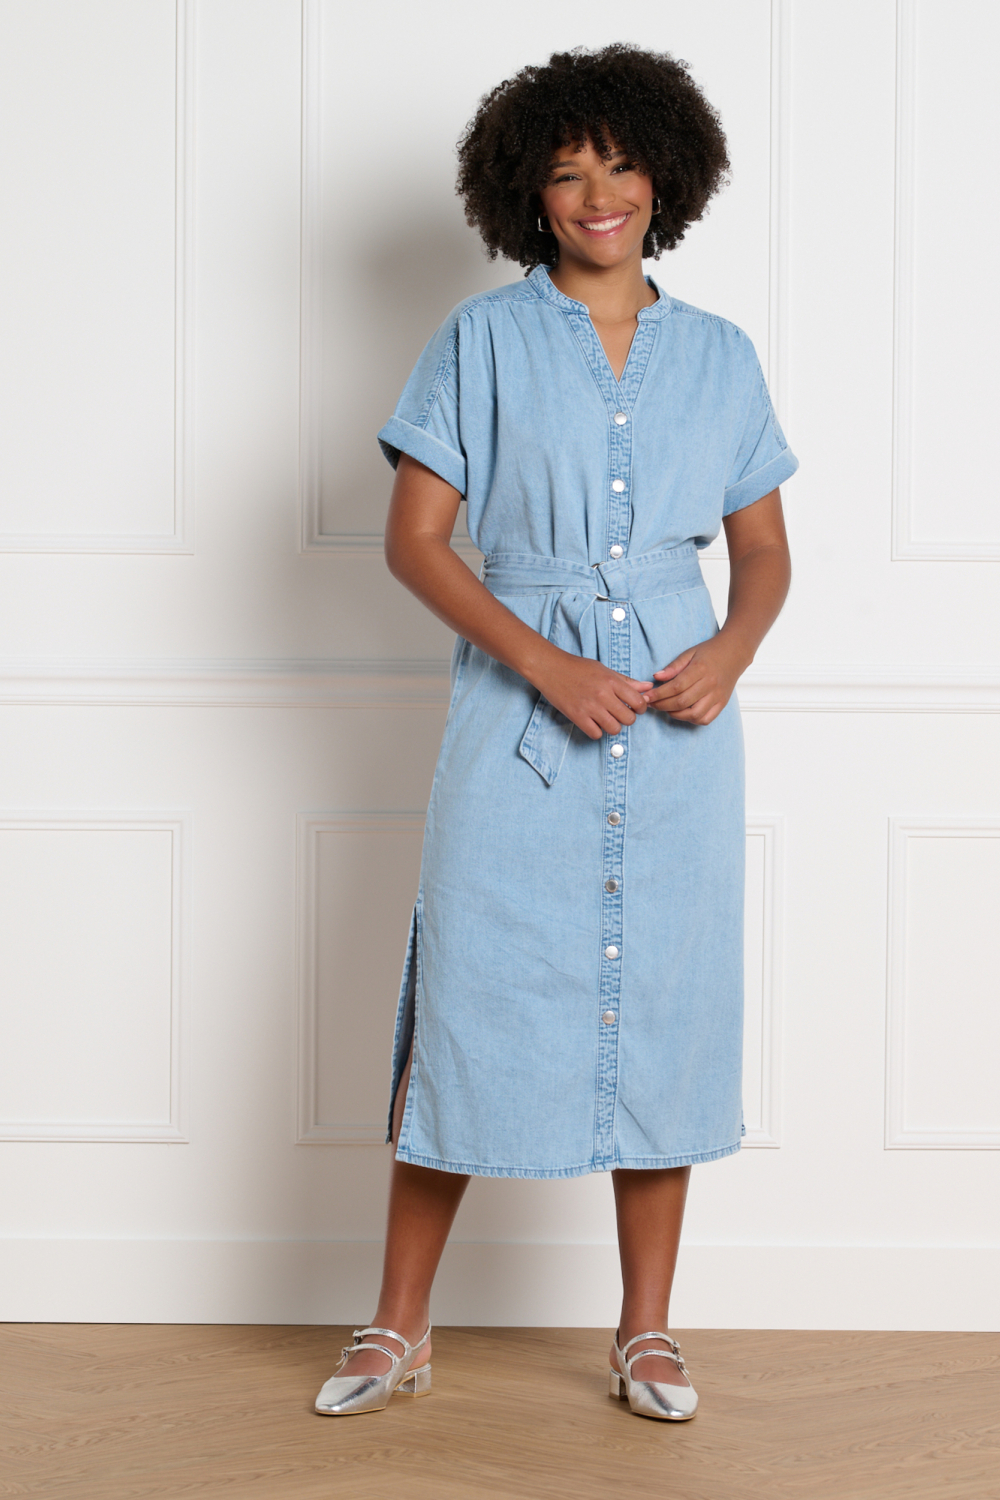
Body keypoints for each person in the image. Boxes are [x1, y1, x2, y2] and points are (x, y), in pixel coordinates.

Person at [315, 43, 797, 1421]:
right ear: (527, 191)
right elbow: (417, 542)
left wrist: (730, 650)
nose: (598, 195)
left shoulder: (722, 355)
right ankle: (398, 1325)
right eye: (569, 172)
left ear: (667, 177)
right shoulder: (479, 341)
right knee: (473, 999)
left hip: (681, 727)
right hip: (516, 715)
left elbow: (764, 552)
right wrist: (545, 663)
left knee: (664, 1009)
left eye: (622, 165)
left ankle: (647, 1333)